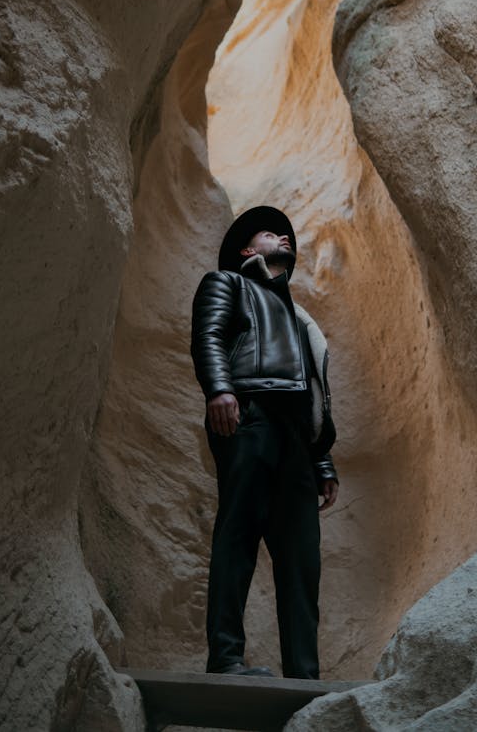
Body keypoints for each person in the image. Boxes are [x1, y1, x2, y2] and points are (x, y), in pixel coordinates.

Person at [190, 205, 339, 680]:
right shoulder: (227, 283)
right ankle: (226, 659)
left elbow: (313, 394)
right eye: (272, 233)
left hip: (295, 439)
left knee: (302, 559)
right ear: (248, 250)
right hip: (248, 417)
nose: (284, 237)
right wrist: (220, 389)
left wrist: (322, 461)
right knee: (237, 536)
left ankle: (304, 675)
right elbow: (208, 336)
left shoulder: (300, 319)